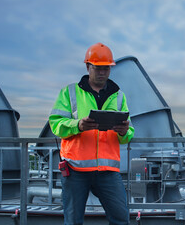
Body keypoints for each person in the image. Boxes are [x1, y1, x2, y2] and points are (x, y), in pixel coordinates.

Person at [49, 42, 134, 225]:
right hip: (75, 170)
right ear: (88, 67)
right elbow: (55, 125)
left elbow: (129, 133)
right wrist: (77, 125)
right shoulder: (69, 93)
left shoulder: (119, 96)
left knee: (121, 219)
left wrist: (123, 131)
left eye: (107, 68)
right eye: (98, 68)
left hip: (108, 171)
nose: (103, 72)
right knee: (73, 221)